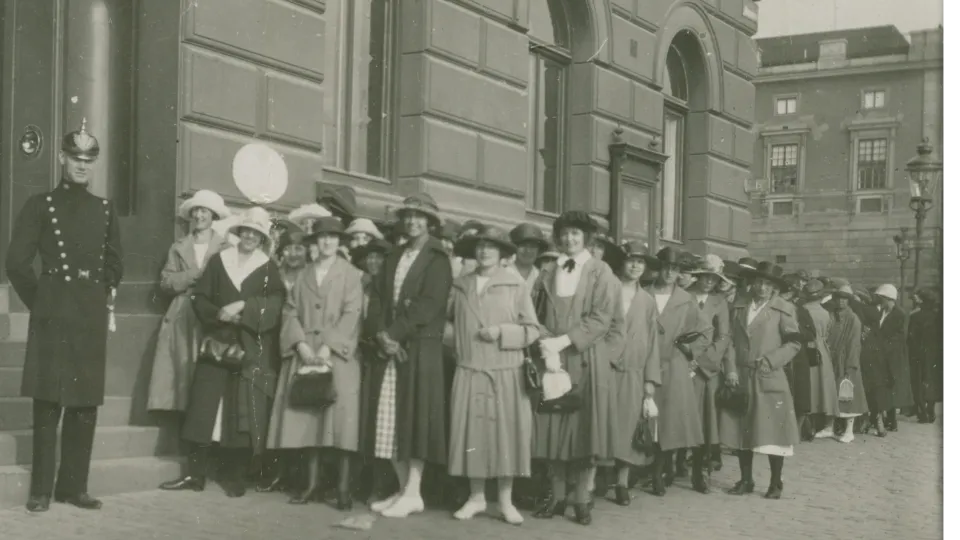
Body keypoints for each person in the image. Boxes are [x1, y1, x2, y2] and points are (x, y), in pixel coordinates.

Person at [5, 119, 123, 513]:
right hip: (53, 313)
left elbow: (115, 261)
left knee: (85, 404)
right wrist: (41, 300)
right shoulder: (40, 205)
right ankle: (41, 489)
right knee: (48, 402)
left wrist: (101, 283)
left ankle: (73, 487)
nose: (83, 165)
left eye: (90, 159)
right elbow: (17, 263)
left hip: (88, 315)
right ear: (61, 158)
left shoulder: (105, 210)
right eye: (75, 158)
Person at [159, 207, 285, 498]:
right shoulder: (219, 261)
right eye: (247, 231)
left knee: (239, 412)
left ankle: (234, 476)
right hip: (216, 343)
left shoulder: (268, 268)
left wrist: (244, 308)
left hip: (248, 346)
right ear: (239, 233)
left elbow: (276, 304)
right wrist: (219, 315)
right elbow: (200, 298)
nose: (250, 236)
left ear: (262, 238)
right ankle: (194, 474)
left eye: (257, 233)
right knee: (203, 408)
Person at [364, 193, 454, 518]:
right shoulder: (394, 255)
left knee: (414, 420)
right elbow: (375, 298)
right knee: (388, 421)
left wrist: (394, 333)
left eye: (420, 216)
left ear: (430, 222)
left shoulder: (437, 259)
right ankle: (402, 489)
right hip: (390, 349)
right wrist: (380, 335)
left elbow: (429, 305)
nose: (413, 221)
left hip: (418, 349)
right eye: (409, 216)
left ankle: (414, 491)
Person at [444, 225, 540, 525]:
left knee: (505, 437)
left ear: (502, 254)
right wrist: (458, 343)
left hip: (505, 372)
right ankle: (475, 497)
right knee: (473, 435)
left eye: (491, 246)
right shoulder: (460, 285)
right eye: (480, 245)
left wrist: (501, 332)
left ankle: (505, 501)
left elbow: (532, 330)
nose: (484, 251)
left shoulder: (515, 285)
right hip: (470, 369)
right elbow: (445, 322)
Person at [268, 217, 364, 509]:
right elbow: (290, 312)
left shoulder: (351, 275)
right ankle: (312, 485)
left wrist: (327, 347)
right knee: (311, 420)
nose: (327, 242)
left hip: (338, 356)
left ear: (339, 242)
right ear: (314, 242)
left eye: (333, 238)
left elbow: (353, 313)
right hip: (306, 352)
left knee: (341, 424)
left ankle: (344, 488)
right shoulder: (303, 276)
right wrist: (300, 344)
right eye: (322, 237)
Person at [531, 210, 617, 527]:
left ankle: (582, 500)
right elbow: (533, 312)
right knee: (553, 430)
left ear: (586, 239)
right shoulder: (548, 271)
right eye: (565, 233)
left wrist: (565, 341)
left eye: (575, 234)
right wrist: (545, 343)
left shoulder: (600, 271)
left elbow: (602, 318)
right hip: (552, 360)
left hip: (585, 358)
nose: (569, 239)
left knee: (583, 432)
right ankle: (556, 497)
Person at [720, 261, 801, 500]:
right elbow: (730, 341)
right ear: (752, 282)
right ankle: (746, 479)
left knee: (773, 432)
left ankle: (776, 482)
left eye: (768, 284)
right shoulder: (739, 305)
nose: (762, 287)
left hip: (768, 376)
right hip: (741, 376)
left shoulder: (784, 309)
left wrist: (772, 360)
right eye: (759, 282)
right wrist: (730, 369)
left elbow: (794, 342)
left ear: (775, 288)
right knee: (741, 430)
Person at [148, 190, 232, 414]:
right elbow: (166, 281)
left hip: (212, 314)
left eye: (204, 211)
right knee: (183, 368)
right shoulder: (179, 246)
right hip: (183, 312)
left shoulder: (225, 247)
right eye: (196, 211)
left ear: (213, 215)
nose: (199, 216)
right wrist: (194, 274)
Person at [644, 247, 712, 495]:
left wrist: (687, 352)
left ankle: (667, 472)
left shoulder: (686, 299)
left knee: (674, 420)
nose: (670, 272)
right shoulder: (644, 294)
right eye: (665, 267)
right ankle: (648, 472)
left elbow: (705, 332)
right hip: (645, 363)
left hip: (673, 365)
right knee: (648, 420)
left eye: (674, 269)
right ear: (657, 268)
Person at [607, 241, 660, 506]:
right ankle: (592, 478)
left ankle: (622, 482)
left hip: (633, 374)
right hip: (605, 370)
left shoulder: (647, 301)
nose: (636, 266)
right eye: (631, 260)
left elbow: (653, 343)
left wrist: (650, 380)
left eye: (641, 261)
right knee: (602, 424)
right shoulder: (606, 291)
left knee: (628, 427)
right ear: (621, 263)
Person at [681, 255, 732, 480]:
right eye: (705, 277)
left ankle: (700, 468)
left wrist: (701, 361)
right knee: (680, 413)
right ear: (698, 276)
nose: (709, 282)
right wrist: (686, 356)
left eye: (713, 278)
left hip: (706, 369)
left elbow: (723, 336)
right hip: (681, 361)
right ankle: (676, 462)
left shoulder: (719, 302)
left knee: (705, 417)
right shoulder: (682, 296)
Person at [860, 284, 913, 435]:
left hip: (891, 358)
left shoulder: (899, 314)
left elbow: (893, 337)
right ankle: (878, 419)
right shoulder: (882, 311)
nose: (879, 301)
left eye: (881, 298)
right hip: (879, 357)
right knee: (878, 387)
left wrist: (879, 345)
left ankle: (887, 420)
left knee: (887, 388)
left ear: (888, 299)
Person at [826, 285, 869, 442]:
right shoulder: (832, 315)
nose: (841, 302)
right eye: (838, 298)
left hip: (847, 363)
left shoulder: (853, 319)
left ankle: (849, 431)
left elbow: (854, 344)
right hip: (833, 361)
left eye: (844, 299)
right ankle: (829, 427)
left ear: (849, 301)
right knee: (834, 394)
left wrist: (850, 365)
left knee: (848, 396)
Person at [798, 280, 840, 440]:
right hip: (823, 349)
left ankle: (807, 425)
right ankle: (827, 423)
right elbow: (829, 333)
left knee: (809, 386)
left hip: (808, 349)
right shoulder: (825, 313)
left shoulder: (802, 311)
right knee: (825, 387)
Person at [908, 288, 942, 424]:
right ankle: (931, 410)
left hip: (918, 353)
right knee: (931, 380)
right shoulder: (937, 316)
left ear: (921, 300)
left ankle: (922, 413)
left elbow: (910, 337)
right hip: (934, 353)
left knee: (917, 381)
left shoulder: (915, 316)